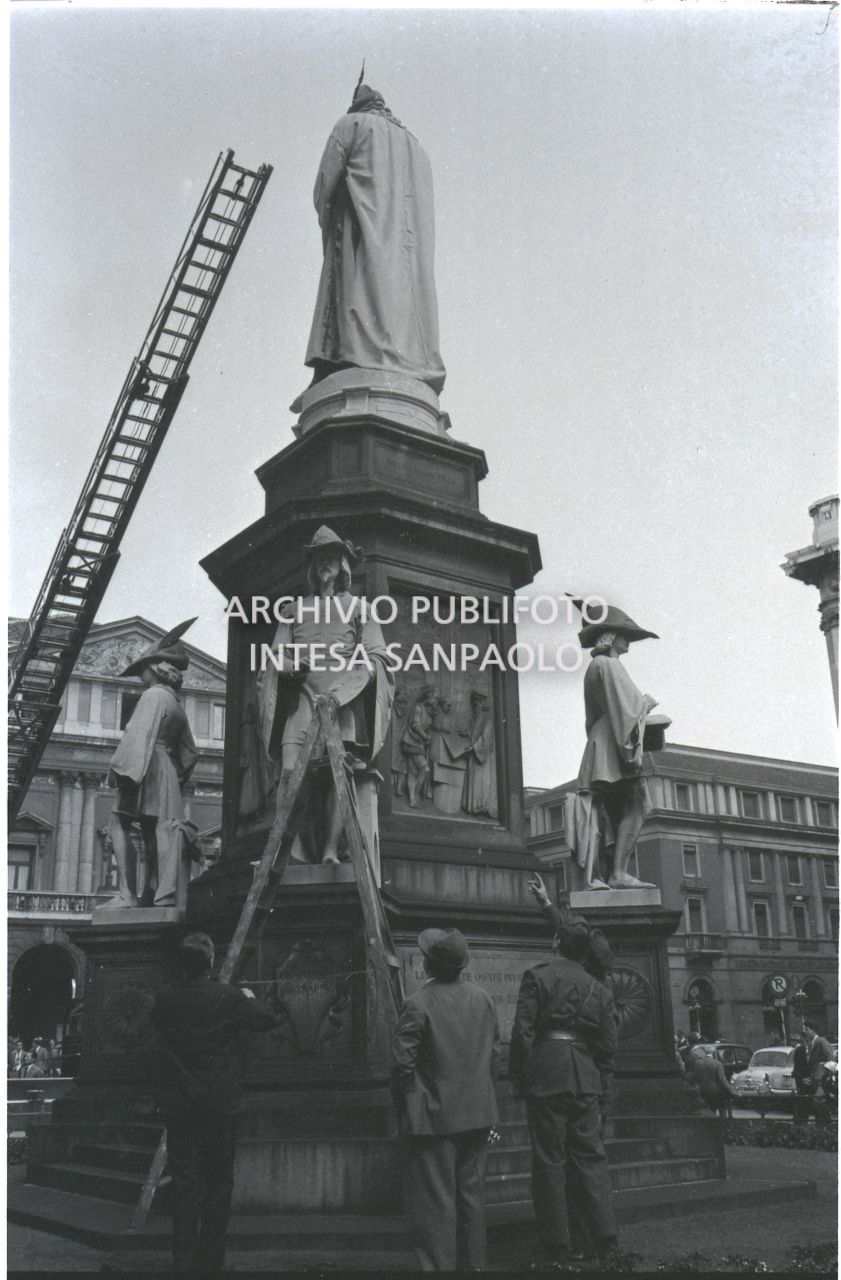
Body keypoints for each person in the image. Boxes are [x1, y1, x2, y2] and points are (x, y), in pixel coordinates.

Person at [258, 525, 395, 863]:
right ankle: (293, 850)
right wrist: (291, 666)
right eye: (319, 557)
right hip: (302, 702)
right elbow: (275, 656)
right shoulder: (293, 610)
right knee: (290, 772)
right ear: (312, 565)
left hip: (339, 704)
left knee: (337, 776)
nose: (325, 563)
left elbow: (376, 658)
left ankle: (331, 849)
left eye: (331, 557)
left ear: (342, 564)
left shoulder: (359, 608)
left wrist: (343, 691)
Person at [303, 75, 446, 395]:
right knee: (401, 302)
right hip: (407, 260)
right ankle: (404, 360)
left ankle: (348, 357)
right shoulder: (418, 150)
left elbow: (323, 188)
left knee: (357, 297)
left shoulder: (351, 124)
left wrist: (333, 220)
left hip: (358, 238)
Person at [151, 932, 279, 1277]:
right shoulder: (228, 997)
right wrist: (248, 996)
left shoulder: (166, 997)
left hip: (181, 1106)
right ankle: (211, 1263)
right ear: (210, 963)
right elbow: (267, 1018)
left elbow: (158, 1026)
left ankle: (184, 1264)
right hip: (221, 1105)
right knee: (219, 1183)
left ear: (183, 964)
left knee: (184, 1183)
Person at [510, 911, 618, 1263]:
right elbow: (607, 1046)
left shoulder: (537, 976)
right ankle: (604, 1235)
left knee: (549, 1160)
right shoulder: (599, 988)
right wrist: (602, 1087)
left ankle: (557, 1243)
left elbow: (522, 1034)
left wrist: (519, 1078)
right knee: (591, 1157)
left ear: (556, 941)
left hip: (547, 1074)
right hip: (585, 1076)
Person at [391, 928, 500, 1271]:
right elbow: (494, 1056)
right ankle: (475, 1268)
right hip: (478, 1114)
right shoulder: (484, 999)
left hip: (434, 1118)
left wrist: (407, 1107)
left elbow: (401, 1065)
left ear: (428, 964)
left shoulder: (418, 1003)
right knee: (472, 1199)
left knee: (437, 1204)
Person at [565, 603, 660, 890]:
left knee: (614, 810)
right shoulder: (609, 664)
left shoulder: (595, 666)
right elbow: (628, 707)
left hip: (602, 741)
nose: (627, 639)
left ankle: (610, 872)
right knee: (641, 804)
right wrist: (646, 704)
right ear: (609, 635)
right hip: (615, 741)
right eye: (623, 633)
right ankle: (618, 872)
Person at [105, 620, 199, 907]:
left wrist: (119, 770)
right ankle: (156, 893)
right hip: (165, 769)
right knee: (155, 829)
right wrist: (174, 776)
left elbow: (137, 735)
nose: (140, 675)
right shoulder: (176, 704)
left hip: (143, 765)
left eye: (142, 668)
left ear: (157, 668)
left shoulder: (152, 696)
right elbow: (190, 753)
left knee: (117, 824)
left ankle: (127, 894)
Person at [692, 1046, 736, 1120]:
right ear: (714, 1053)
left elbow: (695, 1078)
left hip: (703, 1092)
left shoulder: (698, 1063)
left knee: (710, 1111)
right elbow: (722, 1080)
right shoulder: (717, 1064)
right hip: (716, 1092)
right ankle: (723, 1123)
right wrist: (731, 1090)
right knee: (722, 1109)